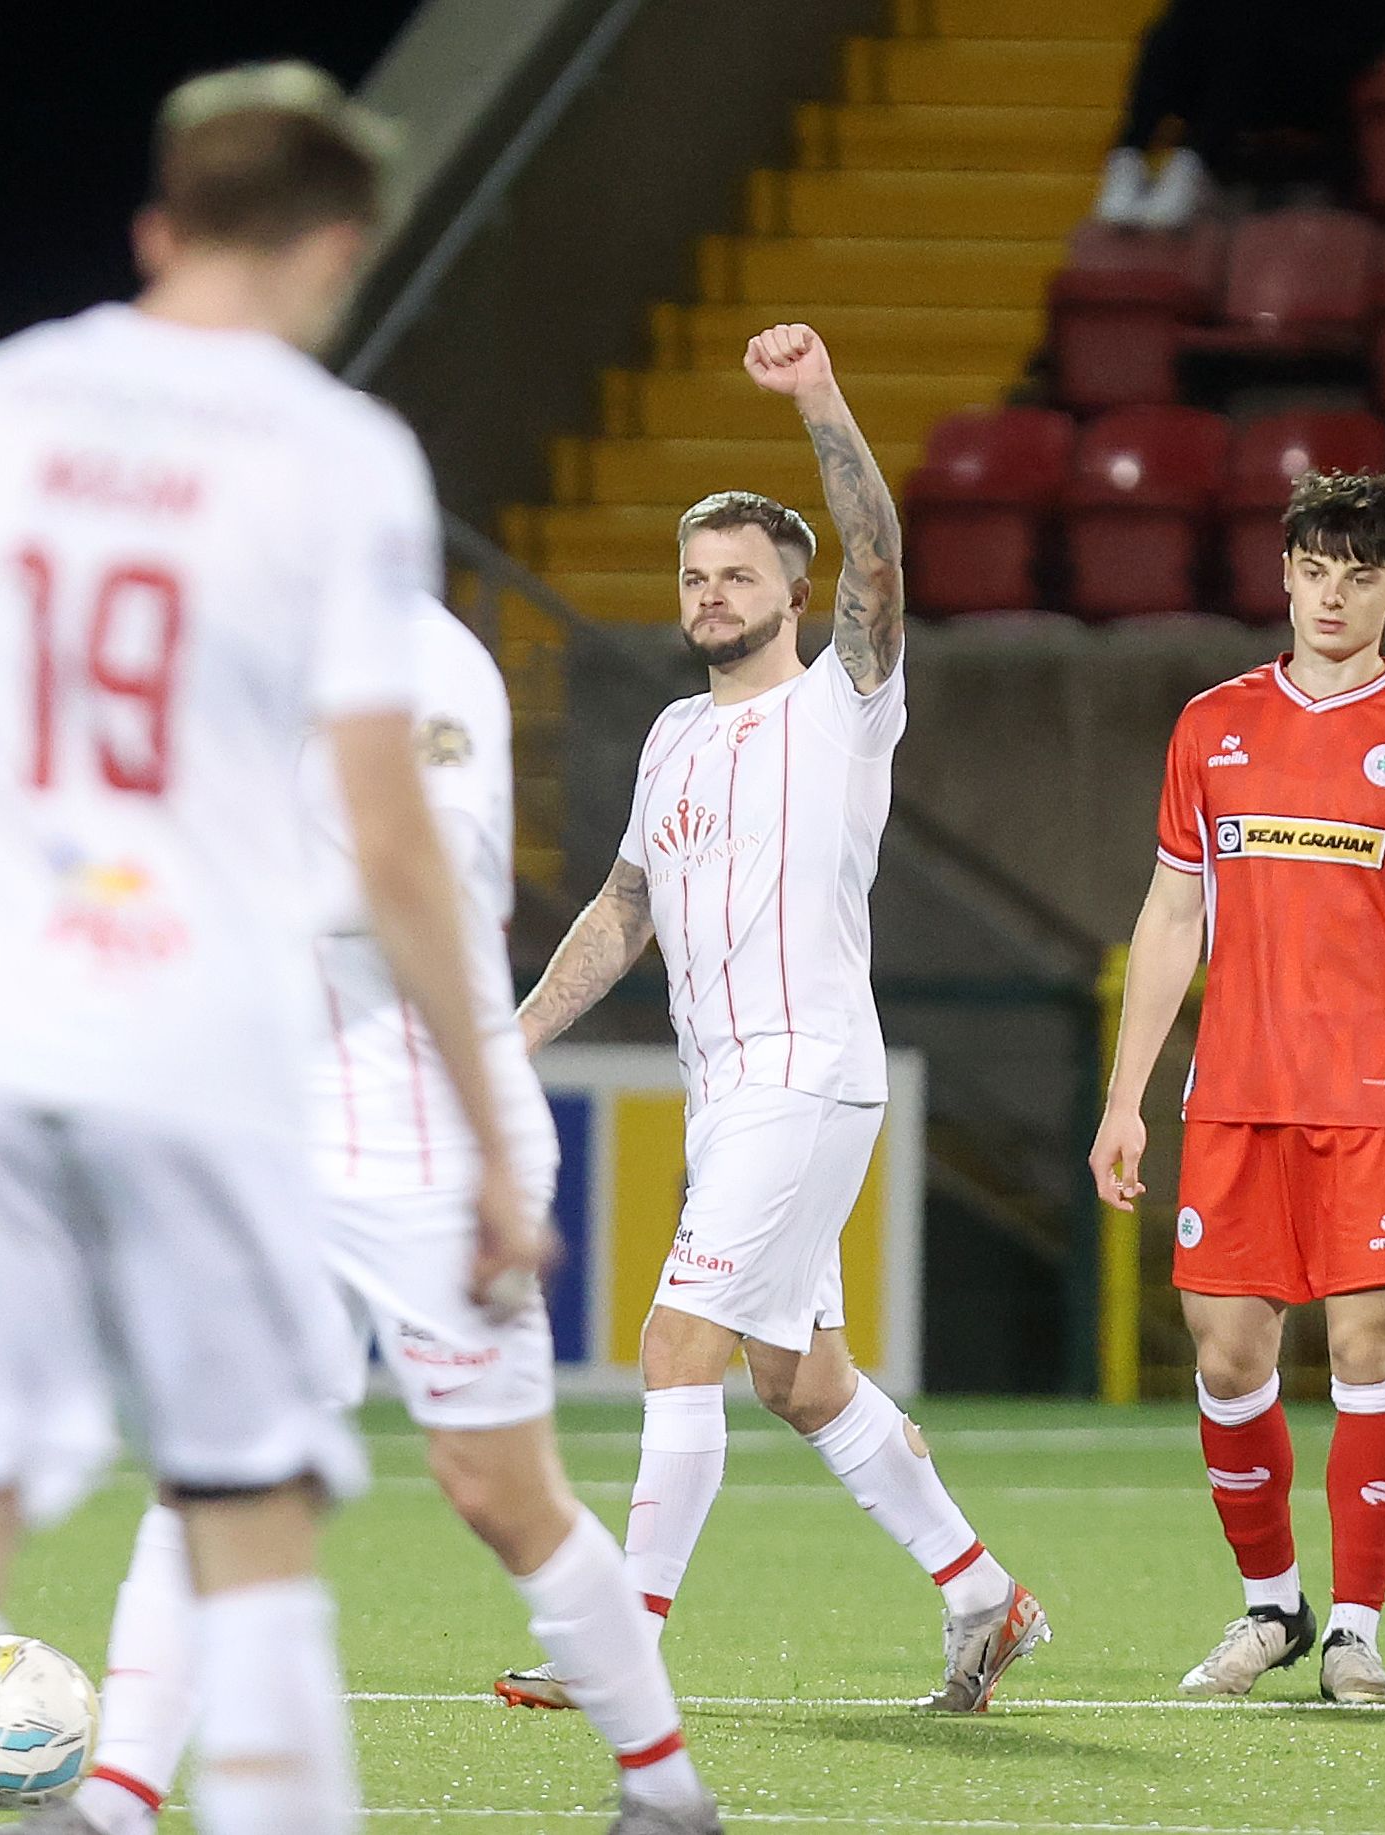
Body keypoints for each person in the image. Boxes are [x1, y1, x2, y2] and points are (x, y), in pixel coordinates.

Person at [0, 62, 549, 1835]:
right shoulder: (334, 455)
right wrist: (498, 1135)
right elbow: (393, 838)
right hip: (204, 1046)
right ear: (338, 249)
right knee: (248, 1526)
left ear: (156, 227)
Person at [48, 591, 716, 1835]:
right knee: (214, 1465)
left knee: (496, 1487)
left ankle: (667, 1789)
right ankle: (115, 1798)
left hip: (432, 1123)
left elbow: (409, 873)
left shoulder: (423, 660)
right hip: (277, 1131)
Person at [495, 324, 1048, 1717]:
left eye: (736, 571)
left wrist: (815, 400)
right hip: (723, 1087)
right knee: (798, 1381)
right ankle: (982, 1591)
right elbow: (621, 904)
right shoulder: (672, 736)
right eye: (690, 575)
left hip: (803, 1074)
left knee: (671, 1341)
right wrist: (511, 1037)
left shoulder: (841, 702)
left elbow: (880, 559)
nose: (707, 592)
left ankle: (618, 1642)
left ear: (794, 591)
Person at [1089, 471, 1385, 1705]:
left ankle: (1358, 1633)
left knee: (1371, 1347)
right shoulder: (1212, 723)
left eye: (1360, 576)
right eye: (1315, 569)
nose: (1333, 594)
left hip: (1378, 1102)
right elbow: (1171, 915)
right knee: (1225, 1358)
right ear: (1284, 573)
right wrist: (1125, 1098)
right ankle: (1273, 1607)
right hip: (1234, 1099)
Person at [1091, 0, 1385, 230]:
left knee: (1244, 18)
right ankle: (1131, 154)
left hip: (1308, 94)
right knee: (1186, 22)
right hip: (1232, 125)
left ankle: (1192, 158)